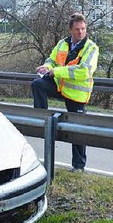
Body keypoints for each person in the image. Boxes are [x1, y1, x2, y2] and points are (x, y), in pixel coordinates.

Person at [31, 12, 99, 172]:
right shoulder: (62, 43)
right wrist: (46, 67)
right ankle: (42, 119)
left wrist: (57, 71)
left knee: (77, 130)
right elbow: (51, 60)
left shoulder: (91, 48)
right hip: (60, 86)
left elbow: (85, 71)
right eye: (77, 29)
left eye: (83, 29)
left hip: (77, 94)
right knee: (37, 84)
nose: (81, 32)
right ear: (70, 30)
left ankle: (78, 166)